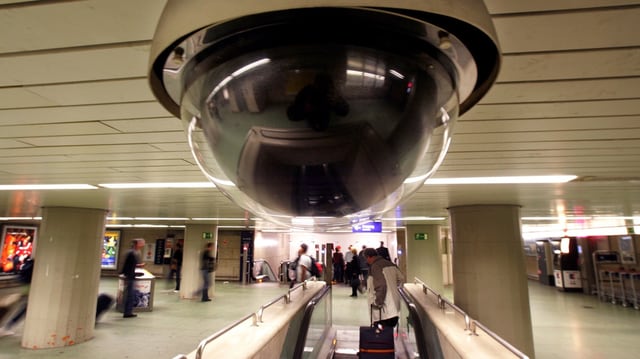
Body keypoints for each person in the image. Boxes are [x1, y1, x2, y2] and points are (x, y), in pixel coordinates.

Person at [363, 247, 403, 328]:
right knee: (388, 335)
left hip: (383, 311)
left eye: (366, 258)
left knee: (380, 336)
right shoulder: (391, 264)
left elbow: (381, 285)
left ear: (369, 257)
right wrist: (392, 287)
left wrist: (378, 302)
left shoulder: (375, 266)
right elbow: (401, 278)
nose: (366, 261)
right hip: (393, 308)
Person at [122, 238, 145, 318]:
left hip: (130, 275)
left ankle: (128, 311)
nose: (142, 245)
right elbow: (128, 265)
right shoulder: (132, 253)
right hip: (130, 276)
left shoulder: (133, 252)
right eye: (141, 243)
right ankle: (127, 312)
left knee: (130, 294)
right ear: (136, 244)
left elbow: (130, 264)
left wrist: (138, 265)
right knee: (130, 295)